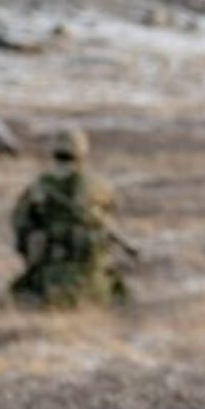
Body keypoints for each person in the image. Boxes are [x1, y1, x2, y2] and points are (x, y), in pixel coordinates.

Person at [9, 127, 131, 308]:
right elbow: (113, 213)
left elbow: (20, 225)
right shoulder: (100, 186)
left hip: (48, 284)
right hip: (97, 285)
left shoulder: (38, 187)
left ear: (54, 151)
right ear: (83, 151)